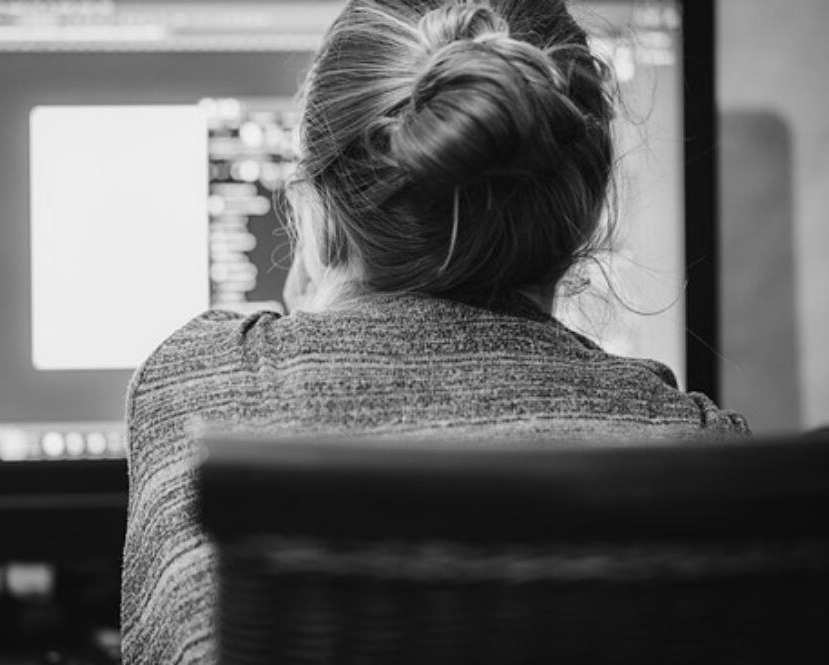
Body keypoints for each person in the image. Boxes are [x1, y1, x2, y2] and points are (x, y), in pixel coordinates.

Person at [121, 0, 749, 662]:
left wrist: (303, 332)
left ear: (320, 214)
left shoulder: (201, 389)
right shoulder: (701, 458)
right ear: (584, 220)